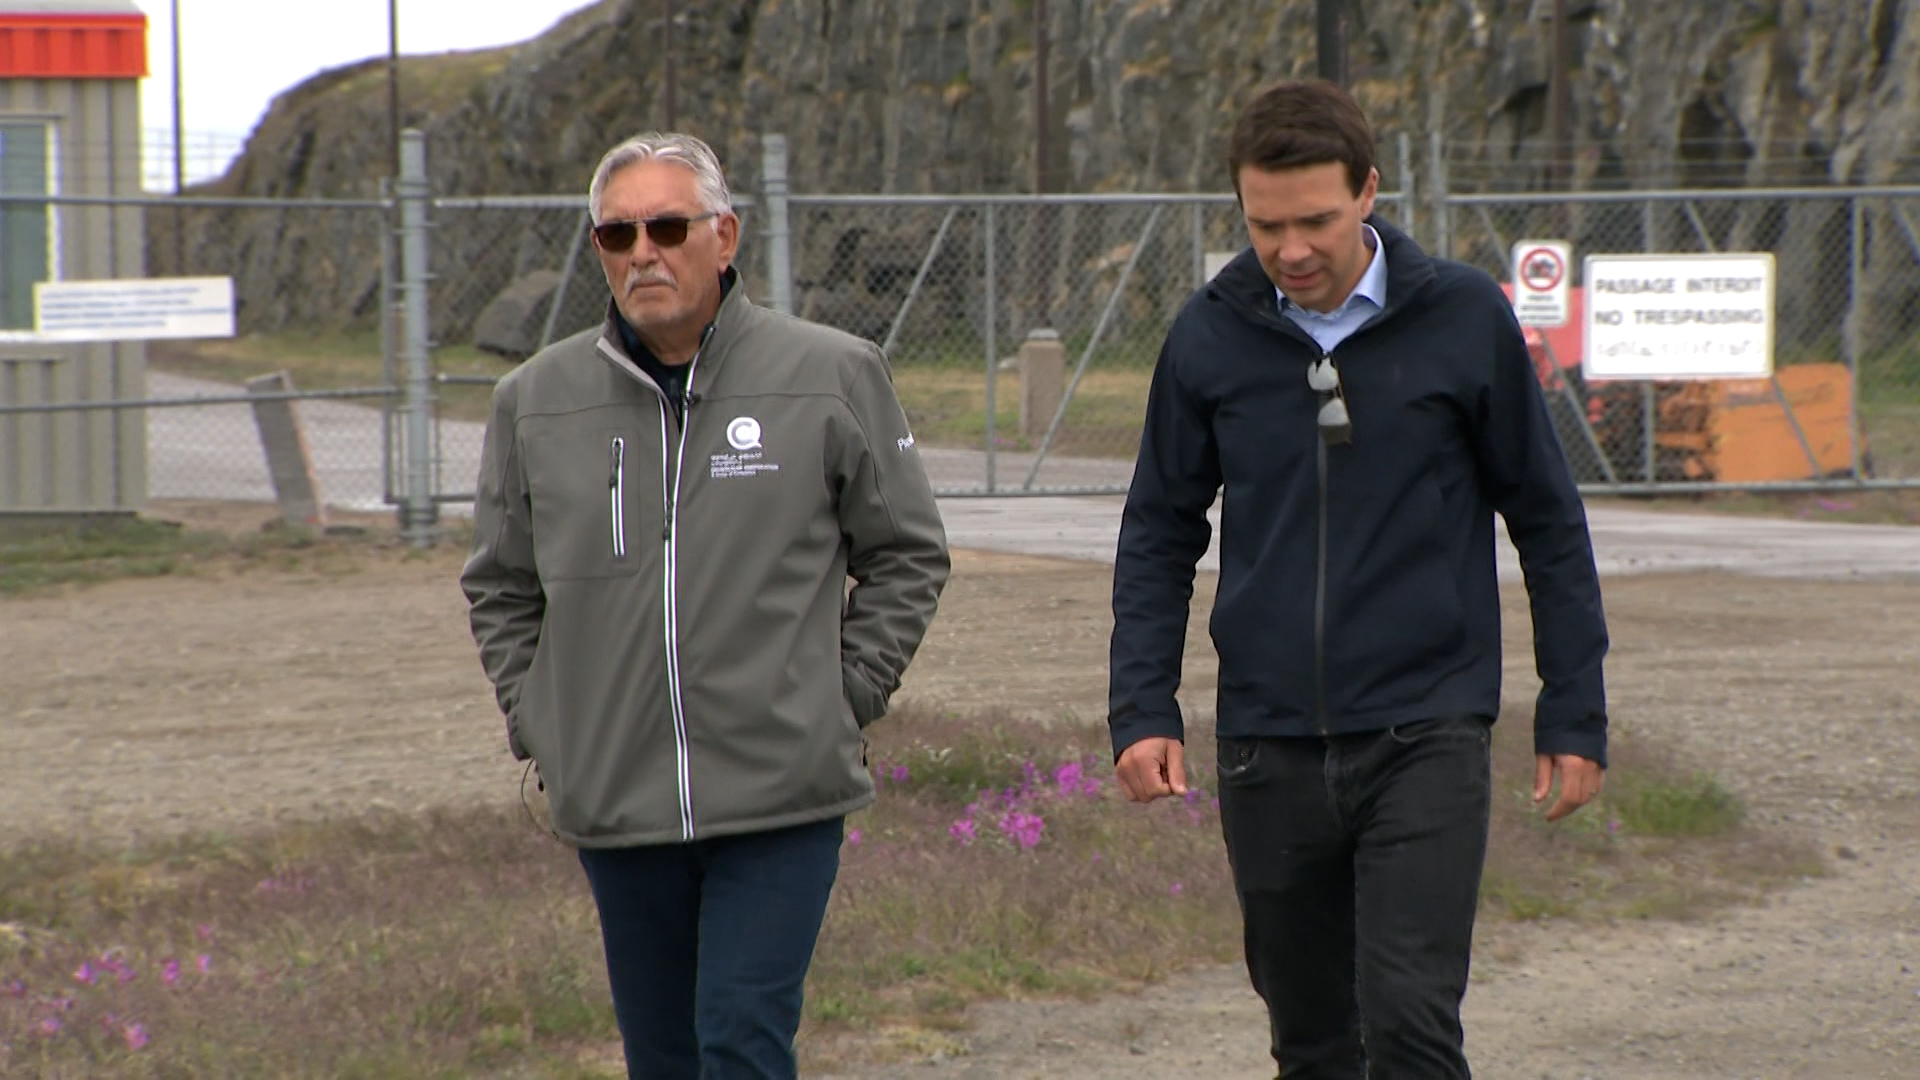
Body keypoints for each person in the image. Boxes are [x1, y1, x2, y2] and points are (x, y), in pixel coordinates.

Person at [1108, 80, 1610, 1078]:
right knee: (1313, 1039)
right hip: (1268, 742)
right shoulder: (1208, 335)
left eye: (1317, 221)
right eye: (1265, 225)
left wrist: (1574, 711)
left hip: (1427, 726)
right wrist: (1142, 707)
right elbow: (1159, 531)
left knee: (1411, 1020)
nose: (1292, 250)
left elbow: (1547, 521)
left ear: (1369, 191)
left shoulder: (1463, 318)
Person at [460, 132, 950, 1080]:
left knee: (740, 1042)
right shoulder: (535, 402)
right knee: (665, 1057)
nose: (642, 251)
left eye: (668, 226)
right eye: (616, 234)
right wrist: (544, 724)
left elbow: (906, 551)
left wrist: (841, 697)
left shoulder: (831, 374)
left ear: (723, 237)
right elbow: (501, 584)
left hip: (781, 793)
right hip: (616, 798)